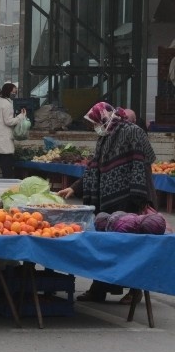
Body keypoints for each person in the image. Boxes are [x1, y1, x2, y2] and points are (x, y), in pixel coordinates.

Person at [59, 103, 157, 304]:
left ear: (103, 117)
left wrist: (139, 197)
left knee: (130, 246)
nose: (93, 126)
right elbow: (95, 166)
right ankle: (99, 288)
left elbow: (145, 160)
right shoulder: (104, 136)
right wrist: (75, 188)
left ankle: (135, 290)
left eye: (94, 122)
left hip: (131, 198)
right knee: (105, 245)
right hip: (108, 200)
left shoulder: (133, 131)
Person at [0, 82, 28, 179]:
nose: (14, 94)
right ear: (8, 92)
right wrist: (21, 116)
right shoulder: (7, 104)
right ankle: (8, 186)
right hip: (4, 142)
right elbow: (8, 121)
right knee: (7, 169)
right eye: (13, 92)